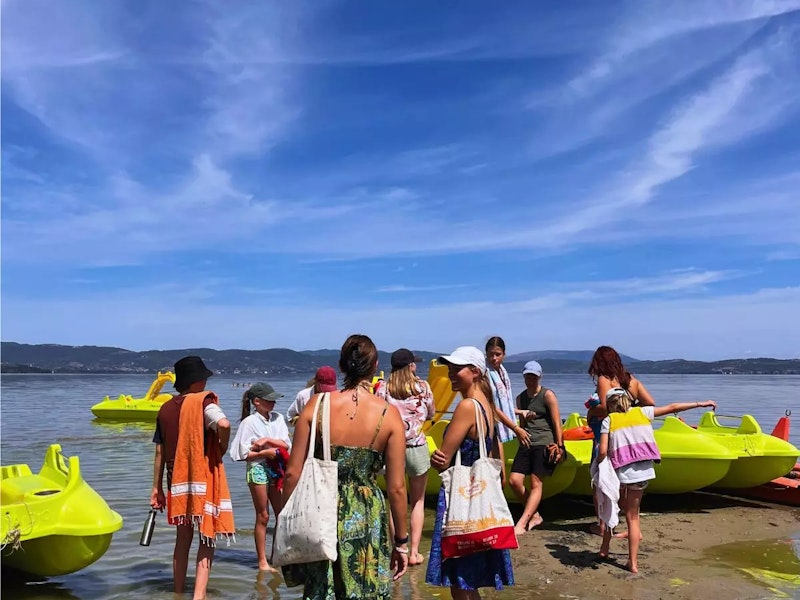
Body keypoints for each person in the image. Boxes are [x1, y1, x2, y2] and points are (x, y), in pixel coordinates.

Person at [281, 334, 409, 598]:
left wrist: (287, 520)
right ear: (375, 368)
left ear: (342, 366)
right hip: (366, 515)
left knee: (324, 588)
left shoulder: (317, 406)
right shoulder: (389, 414)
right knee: (365, 586)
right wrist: (402, 543)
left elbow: (292, 473)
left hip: (321, 509)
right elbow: (396, 488)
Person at [597, 388, 717, 573]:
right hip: (643, 472)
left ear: (609, 405)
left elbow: (603, 451)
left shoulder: (609, 420)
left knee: (611, 508)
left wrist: (598, 465)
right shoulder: (643, 412)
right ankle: (633, 563)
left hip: (621, 473)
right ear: (628, 400)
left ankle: (605, 549)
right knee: (633, 517)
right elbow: (673, 407)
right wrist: (701, 404)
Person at [427, 346, 514, 598]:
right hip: (480, 497)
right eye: (450, 369)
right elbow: (494, 448)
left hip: (461, 498)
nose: (451, 374)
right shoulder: (485, 404)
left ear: (475, 372)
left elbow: (444, 461)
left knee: (459, 577)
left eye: (457, 369)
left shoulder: (466, 407)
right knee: (469, 580)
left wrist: (435, 458)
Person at [150, 356, 234, 600]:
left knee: (182, 537)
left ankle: (177, 592)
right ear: (195, 381)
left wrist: (156, 488)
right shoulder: (203, 403)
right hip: (200, 476)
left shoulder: (165, 408)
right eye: (204, 377)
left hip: (174, 476)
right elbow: (225, 424)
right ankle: (199, 595)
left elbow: (159, 451)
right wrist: (222, 446)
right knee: (206, 535)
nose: (207, 381)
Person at [586, 346, 656, 537]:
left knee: (602, 482)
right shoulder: (631, 380)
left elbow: (605, 407)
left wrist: (592, 411)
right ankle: (633, 527)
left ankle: (603, 526)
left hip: (606, 433)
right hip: (627, 437)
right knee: (626, 485)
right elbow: (650, 403)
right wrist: (632, 410)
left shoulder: (604, 379)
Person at [377, 348, 435, 567]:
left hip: (392, 449)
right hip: (417, 446)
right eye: (414, 364)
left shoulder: (382, 388)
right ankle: (413, 553)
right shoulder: (423, 387)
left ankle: (397, 549)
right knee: (418, 501)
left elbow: (377, 415)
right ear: (410, 366)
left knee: (394, 499)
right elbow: (431, 413)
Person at [230, 382, 291, 573]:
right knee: (263, 515)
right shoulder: (248, 423)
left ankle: (276, 555)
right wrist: (266, 454)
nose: (273, 403)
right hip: (257, 468)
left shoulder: (278, 418)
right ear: (257, 402)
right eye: (269, 400)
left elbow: (285, 443)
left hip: (276, 469)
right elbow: (240, 454)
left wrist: (266, 442)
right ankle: (262, 561)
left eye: (273, 400)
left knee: (281, 514)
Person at [508, 361, 564, 535]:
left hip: (544, 442)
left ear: (539, 376)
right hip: (527, 443)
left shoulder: (547, 395)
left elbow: (556, 422)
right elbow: (522, 425)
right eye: (527, 376)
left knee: (535, 483)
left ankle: (522, 522)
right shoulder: (521, 398)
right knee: (514, 481)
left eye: (533, 376)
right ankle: (535, 514)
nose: (530, 379)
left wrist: (560, 446)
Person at [485, 337, 516, 443]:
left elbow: (506, 405)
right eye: (490, 354)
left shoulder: (503, 372)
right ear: (486, 354)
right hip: (489, 422)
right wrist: (515, 428)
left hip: (499, 422)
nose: (494, 358)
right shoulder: (484, 373)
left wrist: (520, 412)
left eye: (498, 354)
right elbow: (491, 405)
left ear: (504, 354)